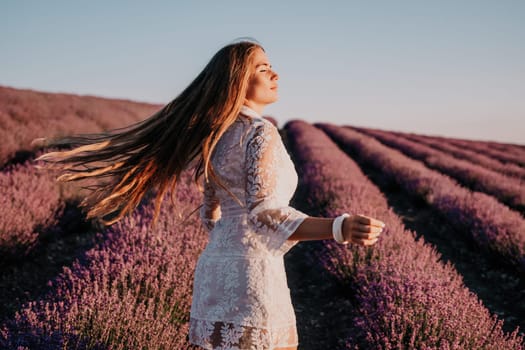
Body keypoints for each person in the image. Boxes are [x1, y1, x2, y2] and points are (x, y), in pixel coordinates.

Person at [33, 38, 385, 350]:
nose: (275, 74)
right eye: (263, 68)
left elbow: (211, 215)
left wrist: (231, 235)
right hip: (252, 274)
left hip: (216, 268)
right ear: (239, 82)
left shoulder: (217, 137)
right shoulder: (261, 133)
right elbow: (264, 212)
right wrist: (339, 227)